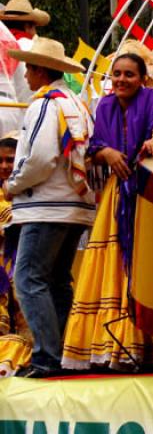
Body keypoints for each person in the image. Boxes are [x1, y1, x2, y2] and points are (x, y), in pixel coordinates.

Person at [61, 53, 153, 371]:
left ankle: (146, 346)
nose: (121, 80)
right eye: (117, 74)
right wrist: (107, 152)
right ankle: (109, 346)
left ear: (142, 79)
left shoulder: (151, 99)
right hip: (114, 194)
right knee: (110, 266)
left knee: (141, 263)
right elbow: (94, 145)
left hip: (145, 192)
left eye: (129, 75)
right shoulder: (105, 105)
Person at [3, 37, 94, 378]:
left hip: (47, 204)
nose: (25, 75)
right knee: (56, 280)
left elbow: (40, 158)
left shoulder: (44, 105)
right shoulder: (76, 102)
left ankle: (47, 356)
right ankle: (65, 353)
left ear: (40, 69)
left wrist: (13, 184)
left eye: (28, 68)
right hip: (74, 202)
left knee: (29, 278)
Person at [0, 133, 32, 377]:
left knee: (26, 322)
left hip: (27, 262)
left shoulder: (31, 190)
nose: (3, 166)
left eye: (10, 160)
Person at [0, 0, 50, 134]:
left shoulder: (3, 47)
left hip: (12, 114)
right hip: (33, 120)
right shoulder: (39, 49)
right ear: (28, 26)